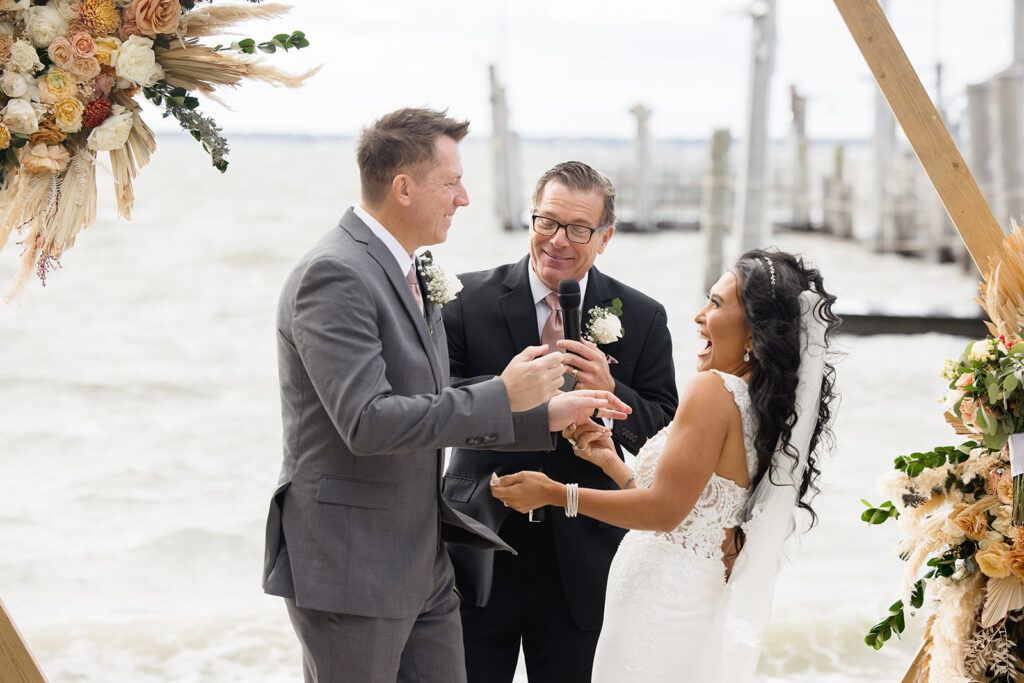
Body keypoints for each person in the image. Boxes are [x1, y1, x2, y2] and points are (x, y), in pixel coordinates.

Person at [261, 108, 630, 683]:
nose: (463, 198)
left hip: (425, 559)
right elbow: (366, 422)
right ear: (404, 188)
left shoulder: (409, 268)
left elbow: (428, 405)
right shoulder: (334, 274)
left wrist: (545, 416)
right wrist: (504, 395)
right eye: (451, 182)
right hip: (353, 561)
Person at [491, 248, 840, 681]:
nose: (698, 316)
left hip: (661, 605)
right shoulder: (758, 406)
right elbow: (696, 510)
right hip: (688, 596)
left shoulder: (712, 389)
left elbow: (663, 512)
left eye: (715, 304)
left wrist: (555, 493)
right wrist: (608, 463)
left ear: (753, 330)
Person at [442, 161, 677, 682]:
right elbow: (438, 405)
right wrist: (503, 393)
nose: (558, 241)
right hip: (481, 537)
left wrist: (615, 391)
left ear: (605, 236)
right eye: (546, 221)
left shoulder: (641, 316)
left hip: (587, 549)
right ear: (531, 220)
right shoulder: (463, 300)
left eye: (577, 228)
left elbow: (665, 429)